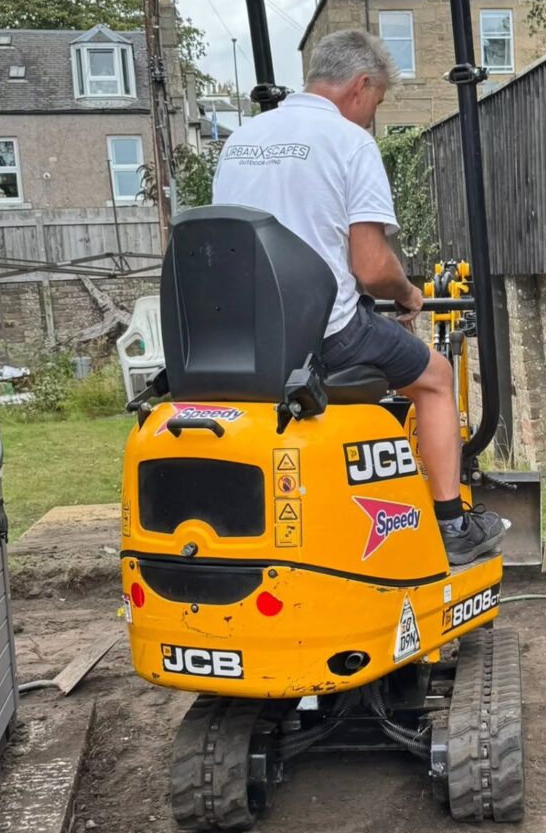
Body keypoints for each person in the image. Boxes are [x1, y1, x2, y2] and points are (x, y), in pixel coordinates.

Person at [212, 29, 504, 567]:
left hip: (240, 337)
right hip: (325, 336)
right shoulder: (349, 142)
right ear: (360, 86)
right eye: (378, 102)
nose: (372, 117)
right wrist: (409, 293)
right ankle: (452, 526)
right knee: (436, 378)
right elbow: (370, 269)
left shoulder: (240, 140)